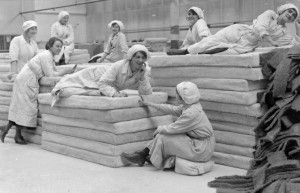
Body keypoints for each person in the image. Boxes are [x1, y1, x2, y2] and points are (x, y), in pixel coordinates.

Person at [121, 81, 215, 170]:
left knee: (163, 137)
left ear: (184, 97)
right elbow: (171, 109)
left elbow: (174, 127)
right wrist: (150, 104)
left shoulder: (192, 113)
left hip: (201, 149)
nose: (176, 96)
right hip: (197, 142)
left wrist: (159, 129)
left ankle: (143, 156)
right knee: (163, 135)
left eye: (178, 94)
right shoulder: (189, 106)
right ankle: (142, 155)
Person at [0, 37, 75, 144]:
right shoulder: (46, 55)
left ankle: (12, 133)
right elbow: (50, 74)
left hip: (27, 79)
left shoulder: (50, 56)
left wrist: (65, 71)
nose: (59, 49)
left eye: (61, 47)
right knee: (25, 107)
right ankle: (10, 131)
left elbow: (53, 70)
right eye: (57, 46)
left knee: (21, 107)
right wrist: (66, 71)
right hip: (26, 80)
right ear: (50, 46)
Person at [167, 3, 300, 55]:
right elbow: (261, 26)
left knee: (229, 53)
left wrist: (298, 30)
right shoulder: (270, 14)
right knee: (213, 39)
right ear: (282, 11)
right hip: (240, 30)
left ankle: (206, 53)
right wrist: (271, 40)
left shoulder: (284, 33)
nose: (290, 15)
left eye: (293, 15)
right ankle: (185, 51)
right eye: (289, 11)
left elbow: (294, 43)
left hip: (248, 43)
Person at [51, 44, 152, 106]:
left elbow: (147, 93)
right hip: (96, 74)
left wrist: (142, 78)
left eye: (143, 58)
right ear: (131, 57)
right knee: (69, 83)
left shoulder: (143, 70)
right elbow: (103, 83)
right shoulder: (119, 65)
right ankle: (58, 85)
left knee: (86, 91)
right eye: (137, 57)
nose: (140, 60)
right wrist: (115, 94)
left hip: (106, 82)